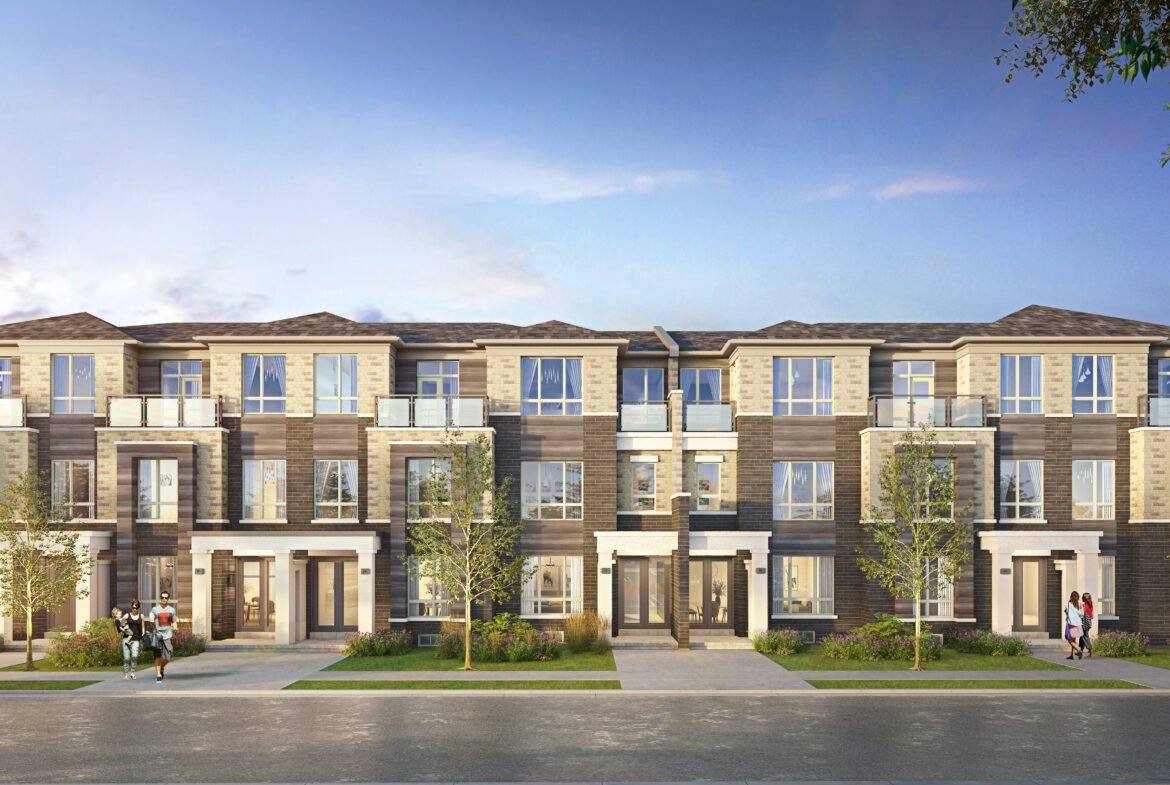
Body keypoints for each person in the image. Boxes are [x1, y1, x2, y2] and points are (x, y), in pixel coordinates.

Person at [149, 592, 177, 683]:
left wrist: (175, 629)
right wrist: (151, 620)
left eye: (166, 597)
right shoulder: (155, 609)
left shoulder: (172, 610)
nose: (164, 599)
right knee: (157, 656)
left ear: (168, 599)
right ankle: (158, 674)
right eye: (162, 597)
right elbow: (151, 618)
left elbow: (174, 621)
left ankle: (161, 668)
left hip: (167, 635)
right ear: (160, 598)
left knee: (168, 656)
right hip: (157, 635)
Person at [122, 599, 146, 679]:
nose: (134, 609)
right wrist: (124, 628)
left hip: (136, 639)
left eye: (135, 608)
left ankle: (132, 672)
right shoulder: (127, 615)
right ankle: (125, 673)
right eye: (133, 607)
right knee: (126, 657)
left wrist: (143, 633)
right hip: (126, 639)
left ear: (138, 608)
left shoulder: (141, 616)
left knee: (135, 656)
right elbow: (120, 623)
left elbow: (142, 626)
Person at [1064, 591, 1083, 660]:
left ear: (1071, 597)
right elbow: (1081, 615)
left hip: (1071, 625)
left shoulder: (1069, 605)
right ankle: (1072, 655)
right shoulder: (1080, 605)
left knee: (1069, 640)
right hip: (1078, 625)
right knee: (1073, 640)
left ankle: (1079, 650)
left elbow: (1067, 613)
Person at [1080, 592, 1094, 658]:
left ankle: (1090, 652)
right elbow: (1091, 616)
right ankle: (1081, 651)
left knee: (1085, 637)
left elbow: (1082, 615)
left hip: (1085, 623)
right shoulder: (1090, 605)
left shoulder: (1085, 606)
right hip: (1088, 623)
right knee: (1083, 637)